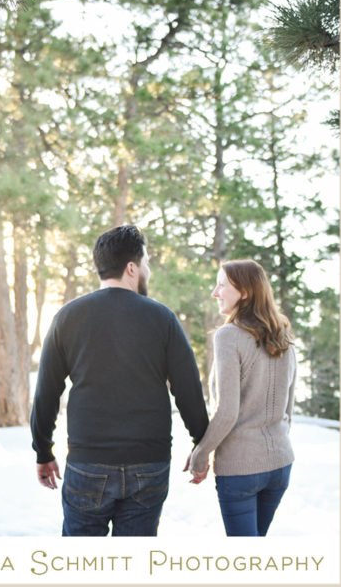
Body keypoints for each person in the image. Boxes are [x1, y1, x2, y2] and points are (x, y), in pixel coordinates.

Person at [30, 224, 209, 536]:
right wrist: (201, 445)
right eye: (146, 263)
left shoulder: (67, 317)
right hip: (149, 464)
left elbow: (46, 393)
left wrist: (43, 451)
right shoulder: (162, 318)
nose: (147, 270)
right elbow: (188, 390)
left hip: (88, 462)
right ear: (131, 268)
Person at [186, 260, 297, 536]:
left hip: (241, 469)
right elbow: (289, 409)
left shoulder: (228, 336)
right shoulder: (284, 336)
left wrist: (200, 454)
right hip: (281, 465)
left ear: (245, 292)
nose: (215, 292)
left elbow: (227, 412)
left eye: (222, 285)